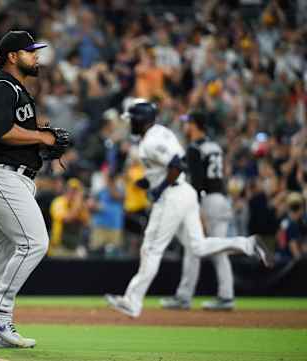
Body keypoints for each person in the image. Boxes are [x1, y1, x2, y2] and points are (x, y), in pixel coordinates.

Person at [105, 100, 274, 318]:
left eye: (132, 120)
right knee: (198, 247)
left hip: (172, 196)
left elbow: (177, 164)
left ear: (141, 120)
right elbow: (174, 163)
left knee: (152, 248)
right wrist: (150, 183)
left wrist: (160, 188)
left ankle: (132, 301)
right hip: (185, 193)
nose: (131, 124)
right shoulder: (163, 132)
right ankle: (247, 244)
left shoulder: (149, 142)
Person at [0, 30, 62, 348]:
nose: (36, 56)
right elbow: (1, 132)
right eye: (30, 51)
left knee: (1, 254)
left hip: (12, 177)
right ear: (13, 56)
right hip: (3, 177)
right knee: (35, 243)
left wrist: (41, 141)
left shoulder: (14, 88)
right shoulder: (1, 86)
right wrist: (41, 138)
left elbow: (14, 134)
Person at [160, 111, 236, 311]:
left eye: (187, 123)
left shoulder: (194, 148)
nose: (185, 126)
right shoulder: (215, 146)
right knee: (218, 250)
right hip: (221, 198)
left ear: (195, 125)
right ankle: (226, 296)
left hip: (205, 201)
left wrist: (198, 211)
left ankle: (184, 297)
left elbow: (197, 182)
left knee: (193, 249)